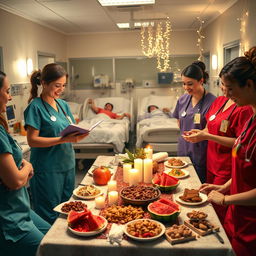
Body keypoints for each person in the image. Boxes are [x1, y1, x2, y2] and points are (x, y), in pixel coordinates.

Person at [200, 47, 256, 256]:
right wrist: (224, 186)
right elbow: (247, 169)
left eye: (231, 88)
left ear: (249, 84)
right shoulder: (251, 118)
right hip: (238, 217)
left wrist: (226, 200)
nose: (227, 94)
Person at [24, 63, 88, 224]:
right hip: (47, 169)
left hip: (67, 165)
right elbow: (32, 140)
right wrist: (63, 139)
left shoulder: (63, 105)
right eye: (57, 85)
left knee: (68, 209)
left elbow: (70, 131)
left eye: (63, 85)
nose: (61, 89)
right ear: (44, 83)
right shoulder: (35, 107)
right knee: (50, 213)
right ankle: (48, 248)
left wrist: (79, 135)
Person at [183, 85, 252, 223]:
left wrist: (208, 137)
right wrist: (201, 132)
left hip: (225, 166)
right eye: (223, 85)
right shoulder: (220, 101)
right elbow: (211, 124)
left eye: (229, 87)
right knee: (210, 202)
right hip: (212, 160)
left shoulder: (244, 109)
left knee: (218, 209)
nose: (225, 90)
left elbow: (239, 142)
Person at [0, 71, 50, 256]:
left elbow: (12, 161)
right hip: (9, 217)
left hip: (21, 208)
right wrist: (27, 167)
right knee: (51, 250)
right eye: (6, 91)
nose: (10, 96)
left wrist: (19, 164)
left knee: (54, 236)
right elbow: (14, 181)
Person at [172, 61, 216, 183]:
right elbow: (179, 120)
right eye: (184, 84)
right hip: (184, 147)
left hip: (201, 150)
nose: (186, 88)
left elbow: (212, 129)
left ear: (201, 81)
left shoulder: (212, 101)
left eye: (190, 84)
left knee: (198, 184)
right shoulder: (183, 99)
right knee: (182, 181)